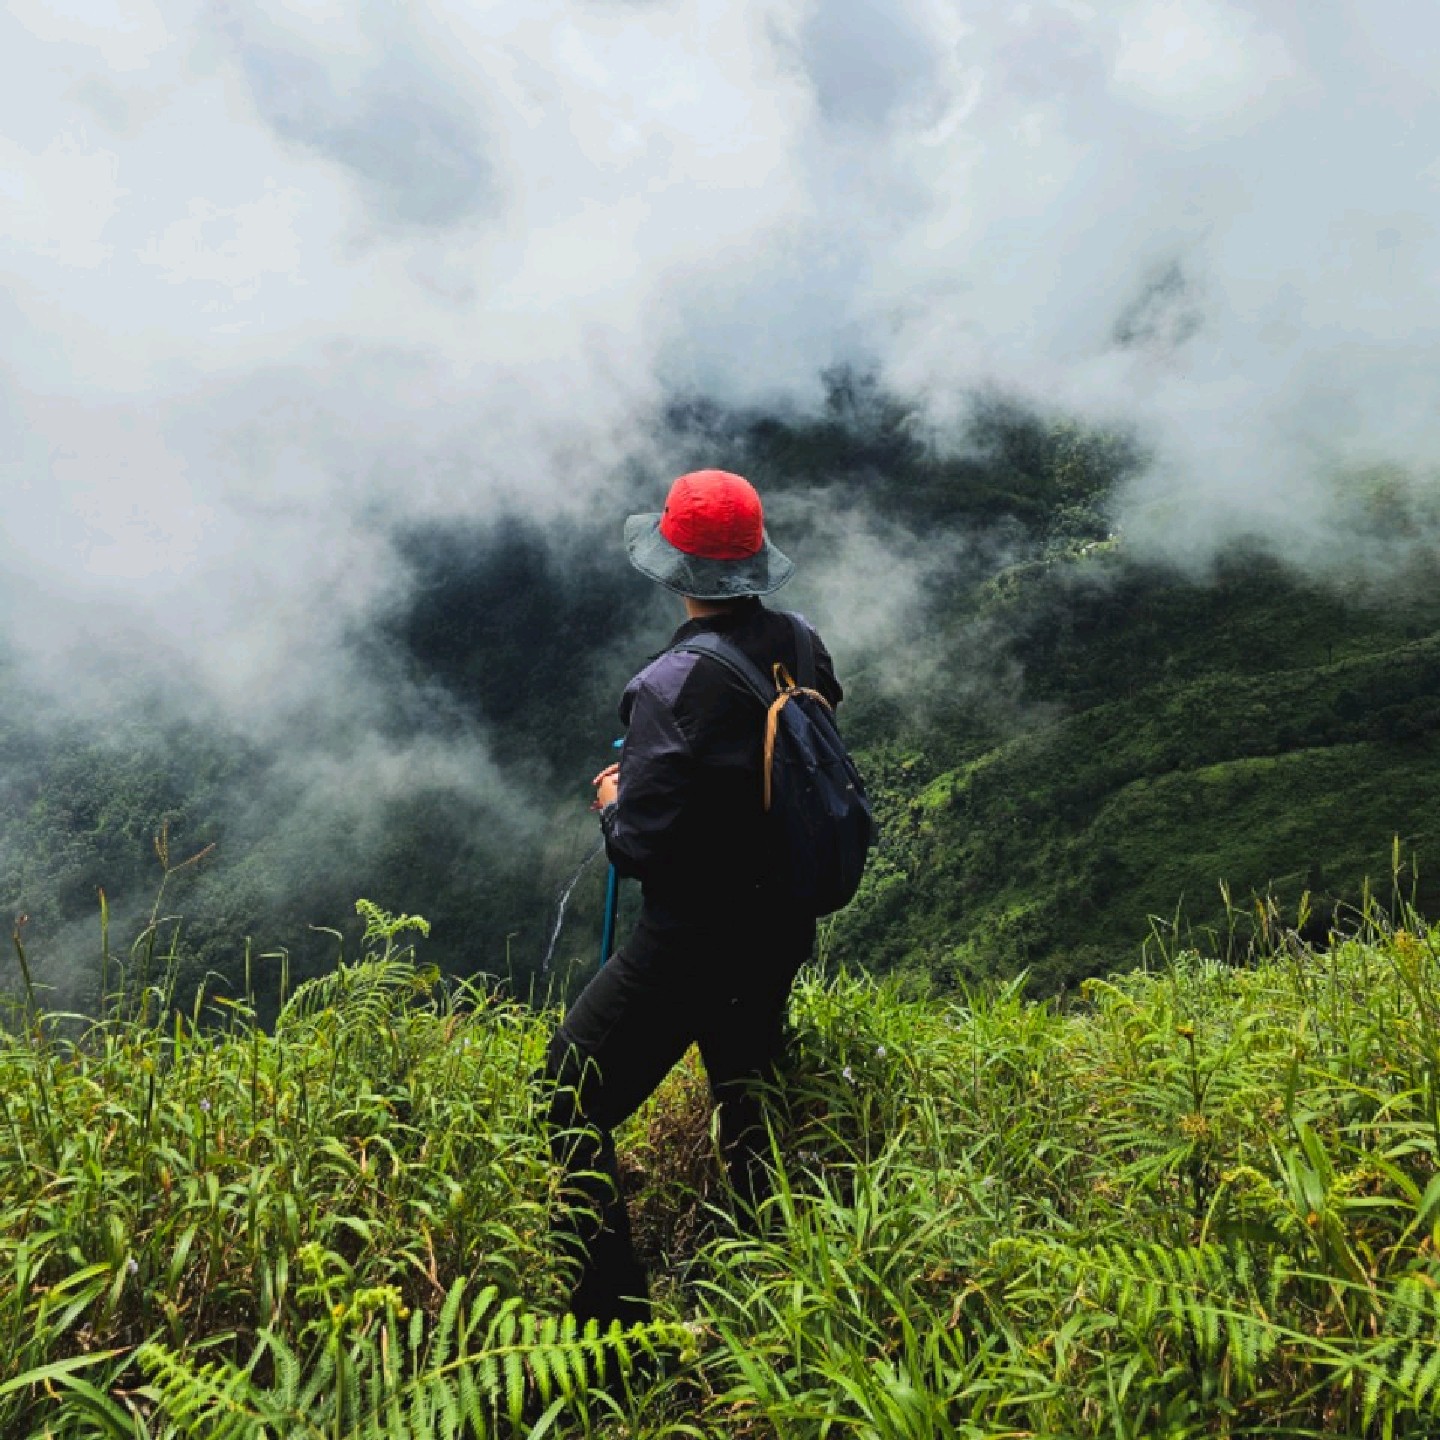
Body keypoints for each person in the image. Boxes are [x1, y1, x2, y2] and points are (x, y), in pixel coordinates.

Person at [545, 468, 844, 1328]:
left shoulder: (668, 687)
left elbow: (640, 846)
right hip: (780, 922)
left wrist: (614, 800)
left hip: (691, 941)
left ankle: (611, 1328)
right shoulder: (802, 641)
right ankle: (772, 1302)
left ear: (676, 567)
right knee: (748, 1101)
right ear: (754, 559)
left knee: (565, 1099)